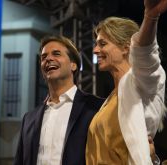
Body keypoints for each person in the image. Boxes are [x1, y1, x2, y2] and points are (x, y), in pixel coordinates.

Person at [85, 0, 167, 164]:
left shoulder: (142, 82)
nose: (95, 50)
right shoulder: (109, 100)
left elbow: (145, 55)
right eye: (96, 44)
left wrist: (150, 17)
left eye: (102, 44)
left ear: (126, 47)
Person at [13, 35, 105, 165]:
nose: (49, 59)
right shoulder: (28, 119)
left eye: (56, 54)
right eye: (43, 57)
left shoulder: (96, 108)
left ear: (73, 65)